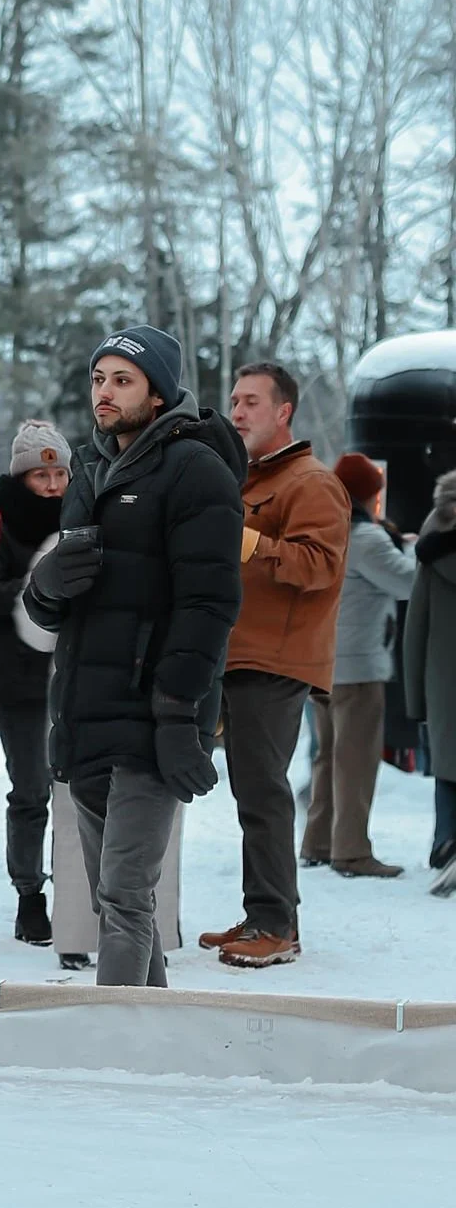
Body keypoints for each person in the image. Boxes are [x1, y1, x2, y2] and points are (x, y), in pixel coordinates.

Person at [21, 325, 243, 989]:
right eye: (99, 379)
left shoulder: (195, 469)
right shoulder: (91, 468)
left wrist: (178, 715)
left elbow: (208, 606)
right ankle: (148, 1048)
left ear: (159, 390)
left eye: (123, 380)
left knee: (124, 897)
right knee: (112, 901)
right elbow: (55, 610)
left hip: (152, 718)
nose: (106, 394)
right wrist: (46, 584)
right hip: (87, 712)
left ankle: (110, 1059)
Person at [211, 360, 350, 969]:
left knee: (264, 791)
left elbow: (320, 567)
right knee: (252, 790)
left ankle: (276, 926)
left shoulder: (311, 483)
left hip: (276, 657)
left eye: (250, 402)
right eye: (234, 401)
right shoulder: (251, 478)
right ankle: (265, 912)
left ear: (283, 411)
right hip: (243, 652)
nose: (237, 412)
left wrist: (248, 541)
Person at [0, 418, 72, 946]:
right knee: (32, 791)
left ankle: (81, 895)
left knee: (80, 797)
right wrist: (42, 576)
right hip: (19, 680)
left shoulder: (87, 518)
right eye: (41, 476)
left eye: (59, 475)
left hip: (76, 678)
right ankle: (29, 895)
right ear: (23, 478)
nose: (54, 486)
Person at [305, 450, 413, 878]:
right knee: (356, 761)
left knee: (328, 757)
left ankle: (318, 841)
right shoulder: (365, 539)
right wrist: (420, 553)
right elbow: (406, 583)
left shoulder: (327, 530)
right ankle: (351, 851)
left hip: (322, 661)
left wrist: (399, 543)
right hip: (359, 666)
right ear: (368, 495)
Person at [403, 467, 456, 891]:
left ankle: (445, 841)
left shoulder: (434, 527)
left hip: (443, 673)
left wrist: (415, 695)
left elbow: (416, 617)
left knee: (447, 761)